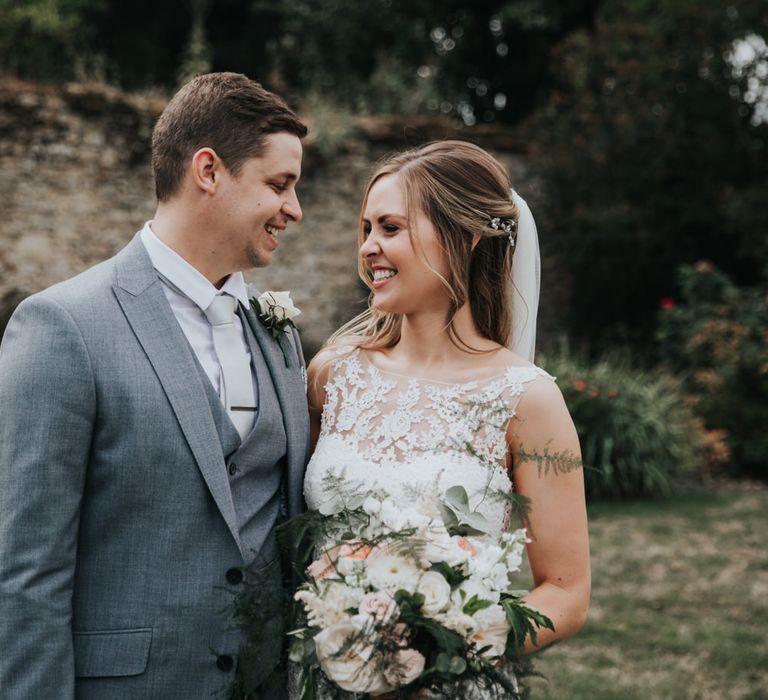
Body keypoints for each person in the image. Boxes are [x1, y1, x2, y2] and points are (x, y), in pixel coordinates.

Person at [0, 72, 310, 699]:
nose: (295, 210)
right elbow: (25, 572)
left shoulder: (280, 334)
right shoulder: (64, 326)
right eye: (279, 185)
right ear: (208, 171)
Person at [305, 141, 590, 697]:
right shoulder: (332, 375)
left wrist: (443, 646)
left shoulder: (526, 400)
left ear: (465, 236)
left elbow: (566, 592)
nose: (369, 248)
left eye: (390, 228)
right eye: (365, 229)